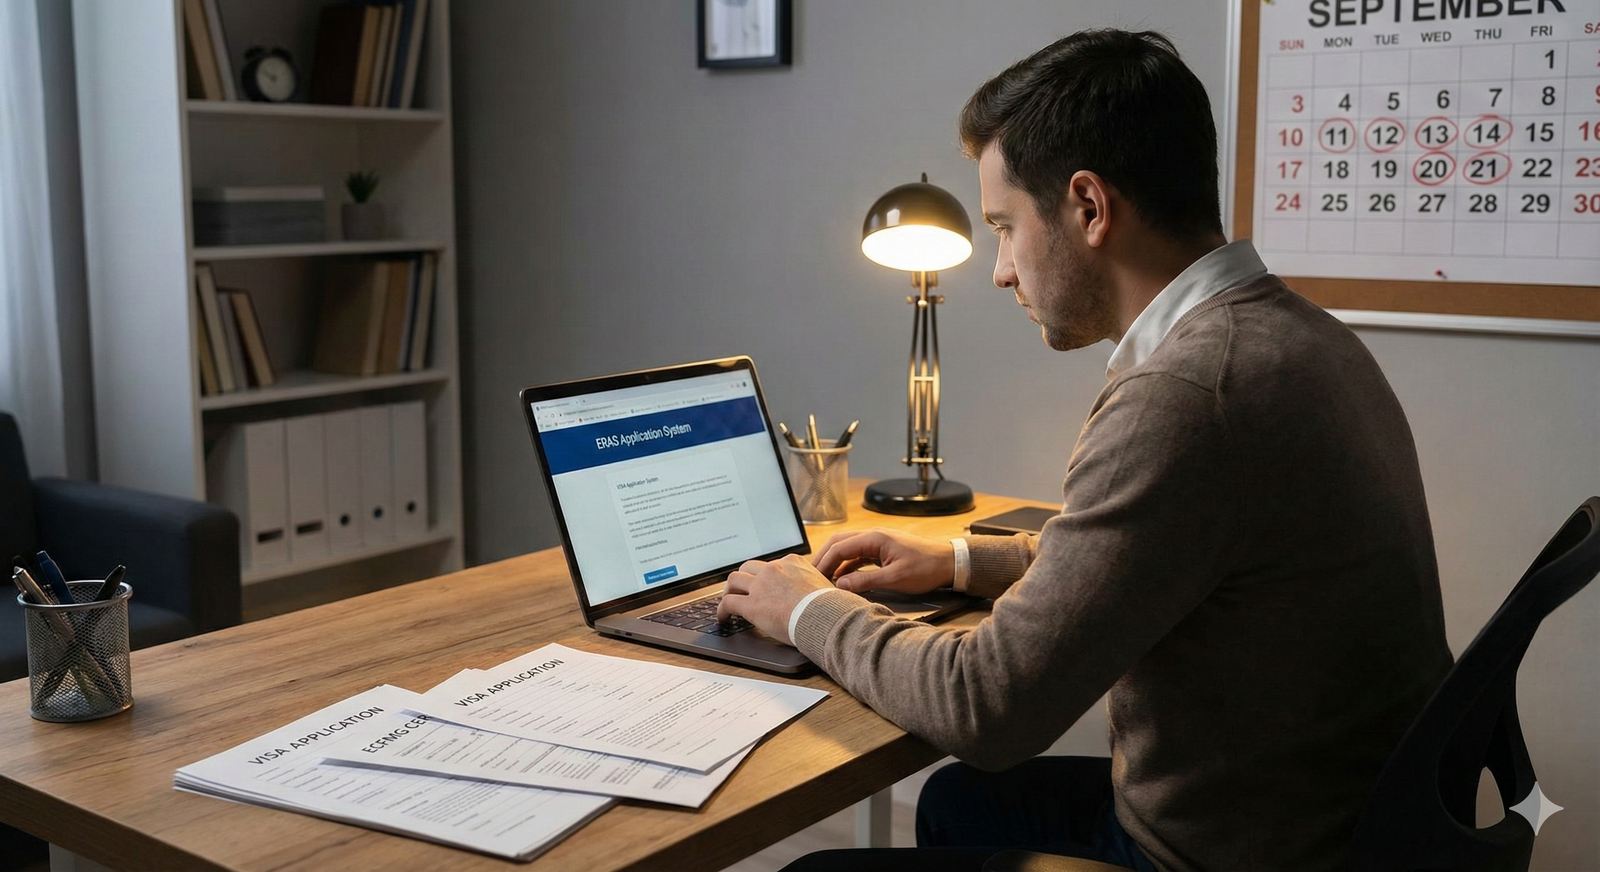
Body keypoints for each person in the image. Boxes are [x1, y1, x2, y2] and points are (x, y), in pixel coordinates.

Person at [717, 28, 1453, 872]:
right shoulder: (1299, 338)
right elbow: (1167, 557)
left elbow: (987, 707)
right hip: (1330, 824)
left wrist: (804, 606)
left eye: (1004, 227)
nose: (999, 270)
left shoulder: (1187, 397)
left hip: (1227, 854)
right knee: (961, 805)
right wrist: (959, 562)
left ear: (1089, 208)